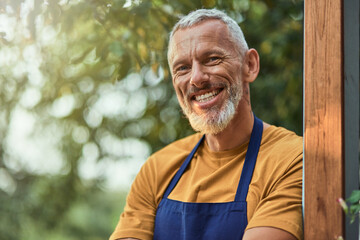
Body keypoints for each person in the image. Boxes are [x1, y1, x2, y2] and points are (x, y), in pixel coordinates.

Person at [110, 8, 303, 240]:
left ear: (249, 65)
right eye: (182, 68)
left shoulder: (292, 158)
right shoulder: (157, 169)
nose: (196, 78)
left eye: (212, 59)